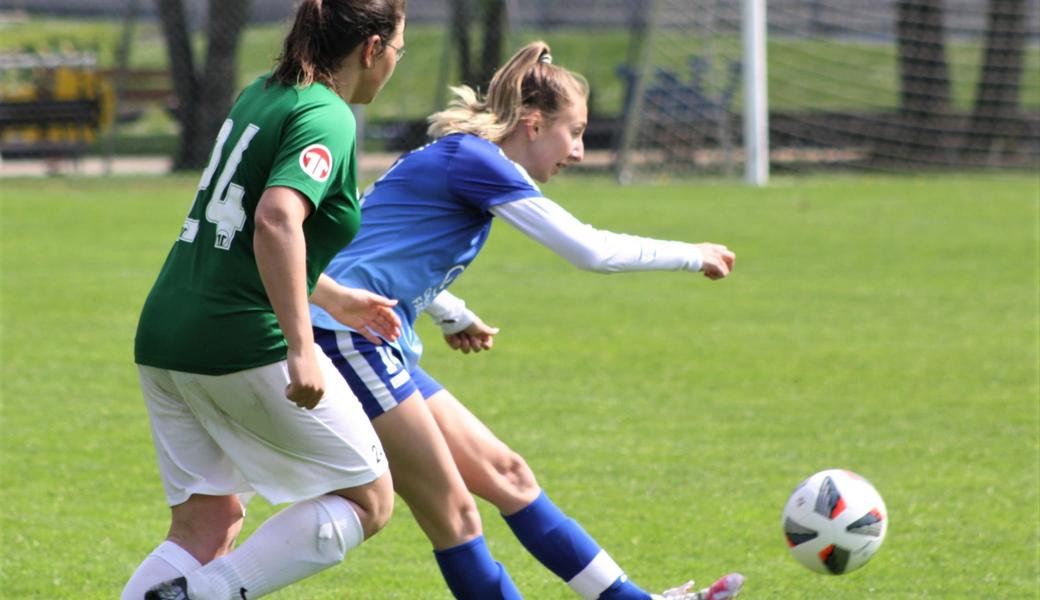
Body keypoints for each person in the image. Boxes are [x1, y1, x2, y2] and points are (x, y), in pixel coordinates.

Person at [310, 41, 744, 600]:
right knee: (456, 515)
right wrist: (691, 253)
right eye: (576, 132)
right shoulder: (476, 161)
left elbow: (375, 250)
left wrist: (452, 313)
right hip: (344, 338)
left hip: (371, 337)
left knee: (508, 474)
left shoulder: (461, 158)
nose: (581, 152)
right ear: (534, 125)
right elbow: (589, 250)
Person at [123, 1, 407, 598]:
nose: (395, 65)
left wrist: (333, 298)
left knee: (209, 524)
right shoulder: (328, 115)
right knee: (369, 499)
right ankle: (199, 596)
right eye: (398, 51)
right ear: (372, 48)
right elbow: (276, 219)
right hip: (239, 339)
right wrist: (303, 349)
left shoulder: (264, 92)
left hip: (167, 332)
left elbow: (240, 228)